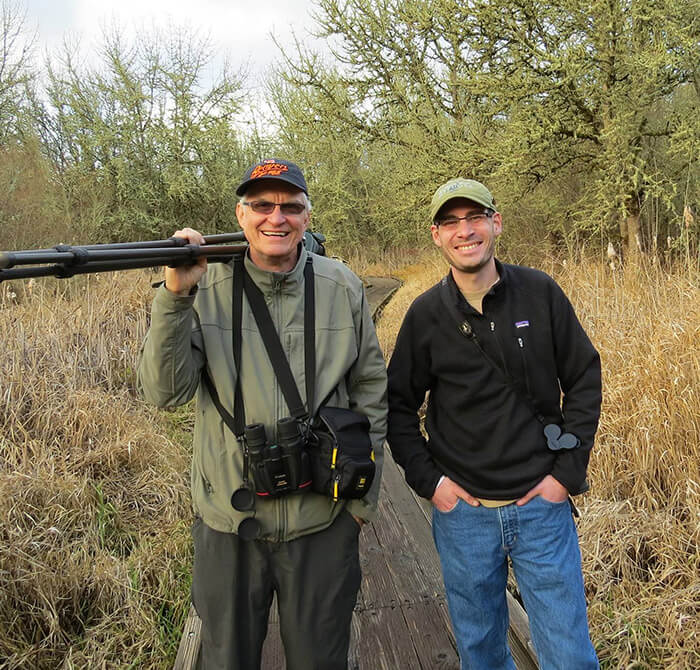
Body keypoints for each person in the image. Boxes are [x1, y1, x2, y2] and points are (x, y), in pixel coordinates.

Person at [138, 158, 387, 670]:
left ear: (307, 217)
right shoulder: (201, 288)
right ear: (240, 213)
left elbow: (371, 392)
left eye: (290, 207)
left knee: (322, 660)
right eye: (262, 205)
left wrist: (361, 504)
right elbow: (164, 393)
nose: (277, 218)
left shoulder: (342, 287)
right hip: (231, 524)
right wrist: (175, 294)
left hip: (323, 521)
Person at [387, 178, 601, 670]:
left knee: (569, 656)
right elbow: (397, 408)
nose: (465, 231)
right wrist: (431, 482)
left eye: (475, 217)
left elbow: (584, 376)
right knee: (481, 652)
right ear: (437, 236)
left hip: (542, 511)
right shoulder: (425, 316)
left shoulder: (540, 293)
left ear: (496, 223)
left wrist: (566, 474)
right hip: (465, 517)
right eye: (451, 222)